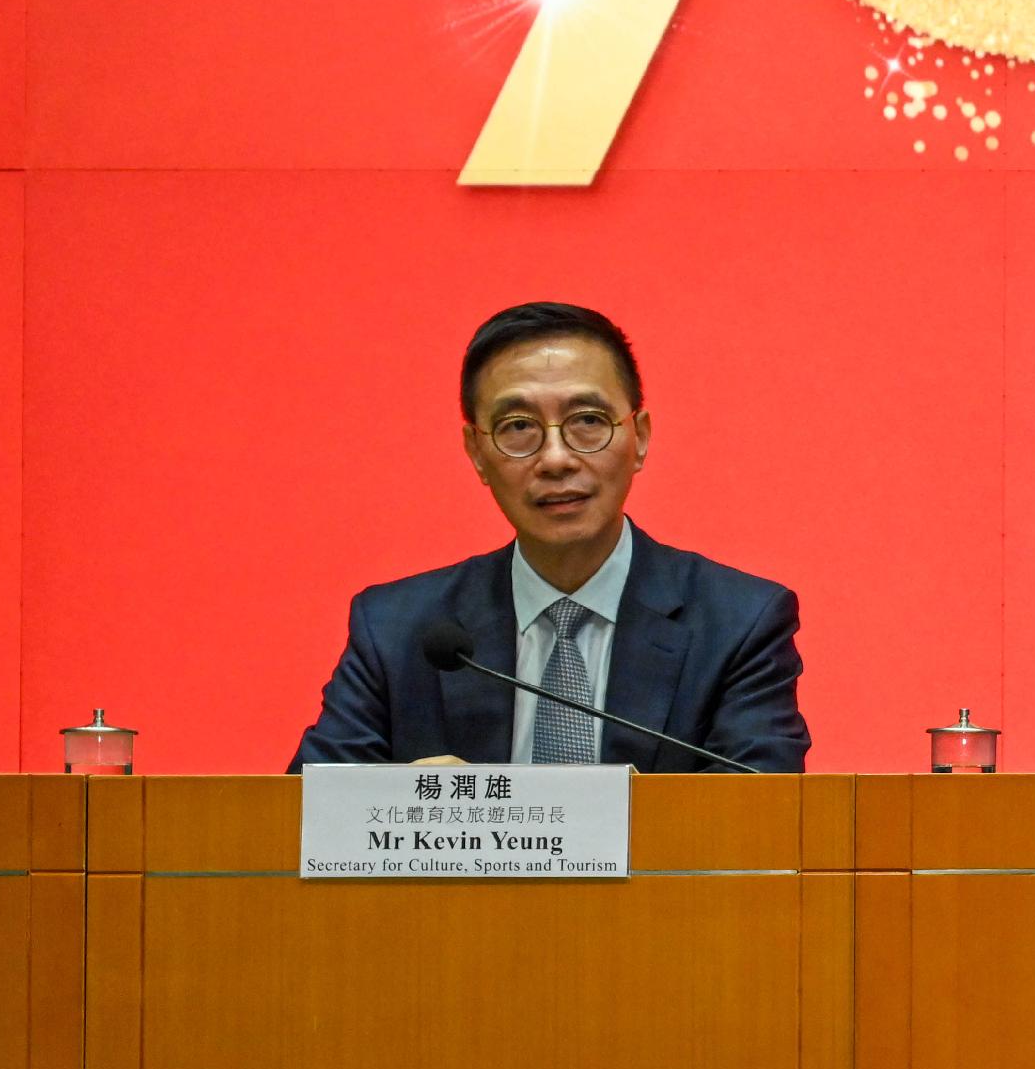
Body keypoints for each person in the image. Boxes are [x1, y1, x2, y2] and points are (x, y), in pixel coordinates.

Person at [291, 303, 809, 772]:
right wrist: (412, 811)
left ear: (641, 438)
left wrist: (606, 819)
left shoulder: (739, 623)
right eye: (518, 427)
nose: (556, 459)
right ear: (476, 452)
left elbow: (762, 821)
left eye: (588, 420)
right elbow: (302, 821)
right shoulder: (398, 630)